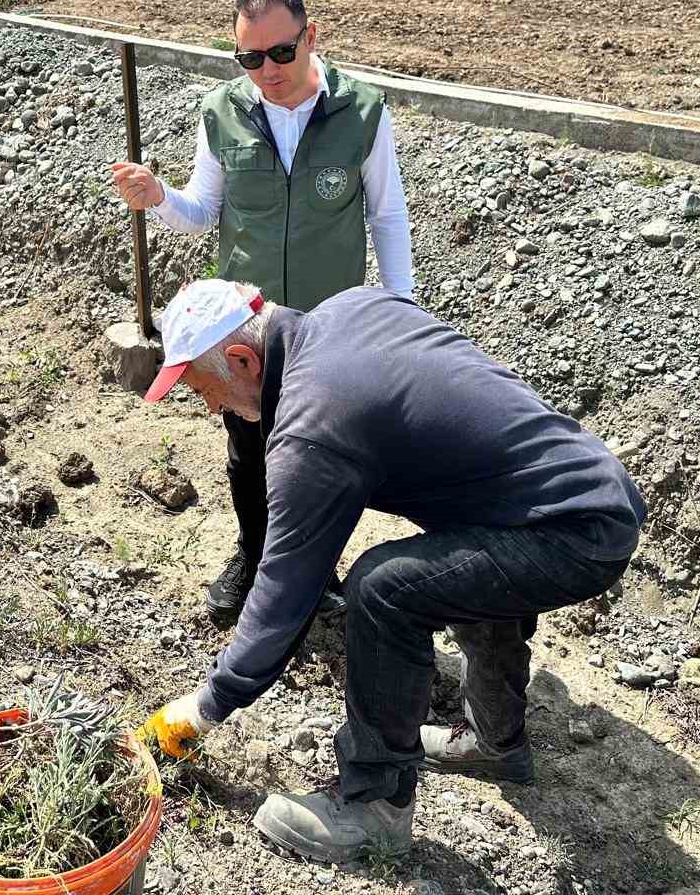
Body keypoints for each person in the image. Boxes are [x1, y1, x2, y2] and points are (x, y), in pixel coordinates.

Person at [138, 279, 647, 865]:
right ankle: (497, 744)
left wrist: (207, 704)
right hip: (584, 495)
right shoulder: (356, 305)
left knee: (383, 588)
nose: (212, 408)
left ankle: (375, 807)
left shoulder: (313, 420)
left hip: (574, 536)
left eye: (207, 390)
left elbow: (287, 586)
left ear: (243, 359)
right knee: (457, 567)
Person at [110, 0, 413, 627]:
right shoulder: (222, 112)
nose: (267, 72)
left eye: (280, 53)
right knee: (248, 448)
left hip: (326, 327)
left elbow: (388, 217)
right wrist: (158, 194)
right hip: (244, 330)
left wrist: (400, 307)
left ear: (311, 37)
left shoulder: (361, 111)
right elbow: (199, 213)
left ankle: (315, 567)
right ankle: (253, 556)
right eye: (250, 59)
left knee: (320, 456)